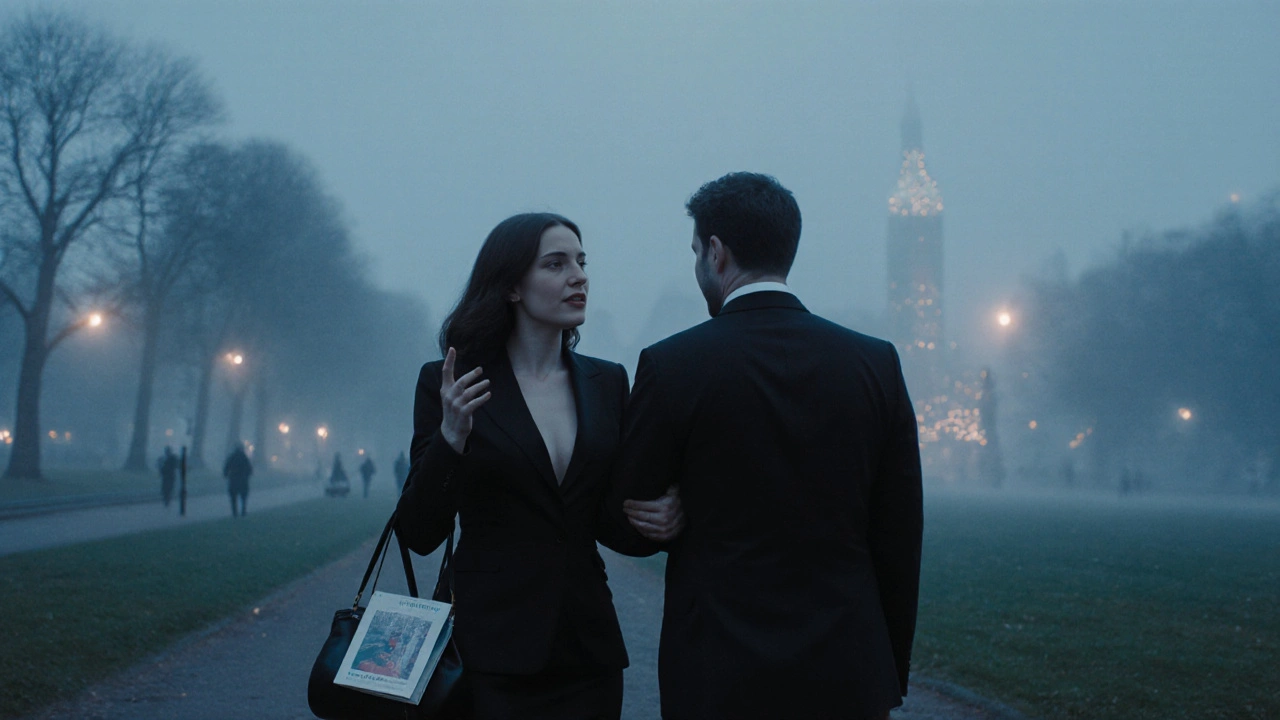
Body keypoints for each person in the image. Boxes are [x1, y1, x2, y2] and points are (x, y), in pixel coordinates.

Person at [611, 172, 924, 720]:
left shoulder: (673, 365)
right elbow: (899, 537)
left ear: (716, 252)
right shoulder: (874, 364)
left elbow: (627, 516)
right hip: (846, 668)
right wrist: (887, 669)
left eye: (695, 252)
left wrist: (679, 507)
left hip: (718, 669)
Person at [395, 212, 682, 720]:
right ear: (511, 287)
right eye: (555, 264)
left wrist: (666, 518)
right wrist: (451, 437)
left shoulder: (608, 383)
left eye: (581, 261)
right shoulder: (451, 382)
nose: (578, 275)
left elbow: (609, 521)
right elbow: (420, 530)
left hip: (586, 653)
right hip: (483, 652)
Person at [222, 443, 252, 517]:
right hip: (243, 480)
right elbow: (249, 469)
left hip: (233, 479)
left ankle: (234, 512)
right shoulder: (244, 458)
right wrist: (247, 475)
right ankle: (243, 511)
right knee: (243, 497)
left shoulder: (232, 457)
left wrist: (226, 474)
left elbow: (226, 467)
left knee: (233, 497)